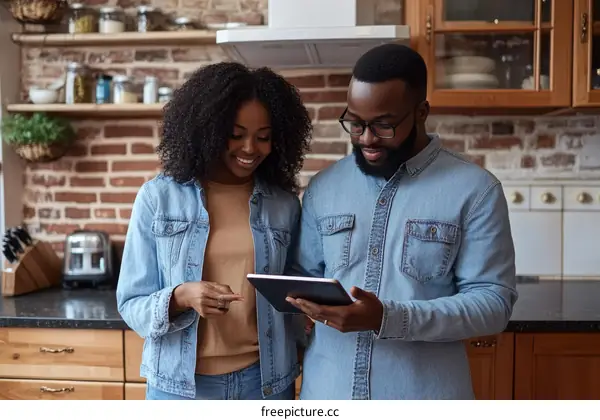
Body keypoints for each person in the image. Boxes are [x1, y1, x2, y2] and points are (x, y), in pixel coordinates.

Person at [286, 44, 518, 400]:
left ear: (422, 111)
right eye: (355, 122)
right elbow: (302, 277)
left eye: (384, 125)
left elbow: (493, 305)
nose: (366, 138)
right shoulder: (324, 187)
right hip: (327, 394)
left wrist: (387, 318)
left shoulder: (476, 190)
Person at [116, 62, 312, 400]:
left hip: (265, 383)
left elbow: (293, 292)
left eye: (263, 137)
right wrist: (180, 297)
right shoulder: (159, 198)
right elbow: (131, 303)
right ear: (206, 130)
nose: (250, 148)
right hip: (180, 388)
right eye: (235, 135)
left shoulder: (284, 205)